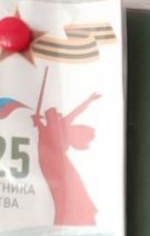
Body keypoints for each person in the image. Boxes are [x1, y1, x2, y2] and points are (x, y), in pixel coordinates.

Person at [33, 92, 101, 227]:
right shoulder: (50, 129)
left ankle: (77, 219)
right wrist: (37, 122)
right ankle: (70, 220)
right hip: (53, 163)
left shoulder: (55, 127)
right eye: (56, 116)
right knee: (66, 192)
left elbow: (75, 112)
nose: (59, 117)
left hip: (57, 162)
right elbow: (74, 114)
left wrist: (88, 100)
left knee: (73, 189)